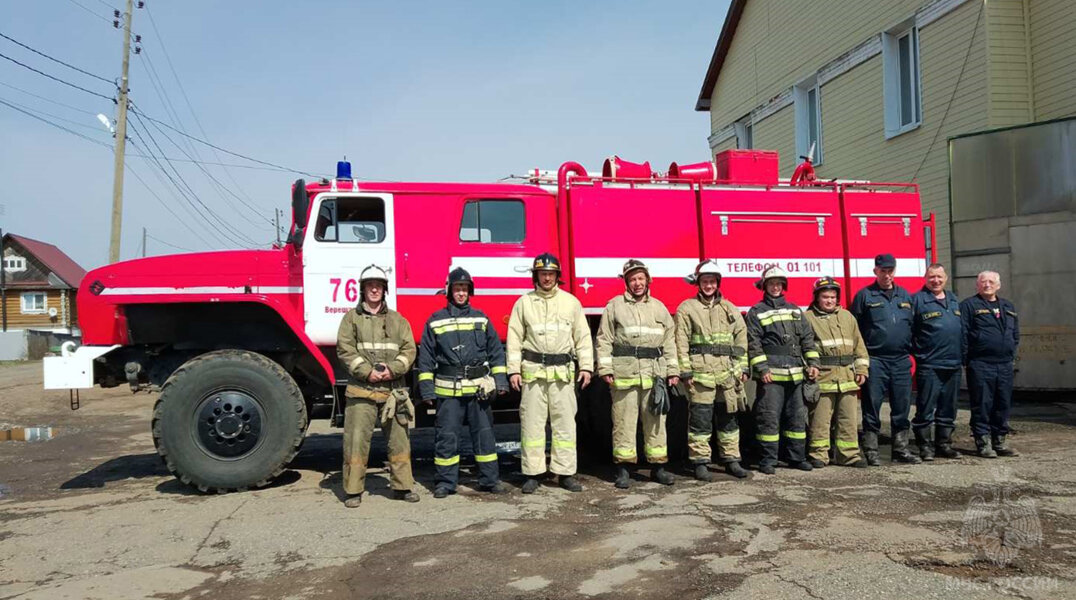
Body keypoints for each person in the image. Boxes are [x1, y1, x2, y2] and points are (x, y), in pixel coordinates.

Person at [416, 267, 509, 498]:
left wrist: (500, 382)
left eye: (465, 289)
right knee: (447, 439)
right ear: (449, 291)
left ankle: (489, 480)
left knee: (485, 436)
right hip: (448, 392)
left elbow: (496, 352)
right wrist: (426, 390)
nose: (461, 293)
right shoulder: (435, 321)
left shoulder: (481, 318)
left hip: (479, 391)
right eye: (457, 288)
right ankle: (445, 483)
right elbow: (425, 358)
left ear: (470, 291)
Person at [507, 253, 594, 493]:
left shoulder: (571, 302)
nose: (547, 277)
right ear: (536, 276)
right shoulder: (523, 303)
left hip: (562, 375)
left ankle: (565, 473)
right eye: (543, 273)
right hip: (533, 374)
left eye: (551, 274)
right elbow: (514, 339)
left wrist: (586, 366)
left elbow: (583, 337)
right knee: (532, 427)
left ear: (558, 276)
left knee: (565, 426)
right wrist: (513, 370)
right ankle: (533, 473)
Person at [335, 265, 419, 508]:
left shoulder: (397, 320)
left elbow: (409, 350)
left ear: (385, 290)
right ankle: (353, 490)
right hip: (362, 390)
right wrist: (367, 372)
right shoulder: (351, 319)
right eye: (370, 285)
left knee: (399, 440)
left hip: (393, 392)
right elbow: (345, 349)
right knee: (356, 441)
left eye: (379, 285)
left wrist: (393, 369)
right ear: (362, 289)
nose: (374, 289)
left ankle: (402, 487)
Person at [596, 259, 680, 489]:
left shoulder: (659, 308)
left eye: (641, 278)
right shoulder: (614, 306)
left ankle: (658, 468)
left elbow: (669, 342)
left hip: (654, 376)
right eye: (632, 279)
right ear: (626, 282)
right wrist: (605, 369)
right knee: (623, 423)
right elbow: (604, 339)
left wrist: (673, 370)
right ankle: (624, 470)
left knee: (655, 423)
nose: (637, 283)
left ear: (647, 280)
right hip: (624, 375)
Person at [674, 259, 750, 481]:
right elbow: (681, 341)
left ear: (718, 283)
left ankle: (731, 459)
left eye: (712, 281)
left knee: (729, 419)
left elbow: (741, 340)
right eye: (705, 281)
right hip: (701, 375)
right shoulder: (687, 308)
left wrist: (741, 368)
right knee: (700, 420)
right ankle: (700, 462)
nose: (708, 285)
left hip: (727, 375)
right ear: (698, 283)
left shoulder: (730, 308)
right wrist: (685, 371)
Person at [746, 266, 820, 474]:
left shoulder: (795, 310)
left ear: (783, 286)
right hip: (772, 375)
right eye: (771, 284)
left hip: (796, 374)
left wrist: (813, 364)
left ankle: (797, 457)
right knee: (768, 417)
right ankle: (768, 459)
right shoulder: (757, 311)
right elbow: (754, 342)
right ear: (765, 286)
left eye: (779, 284)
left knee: (796, 416)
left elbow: (807, 339)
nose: (775, 287)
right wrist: (762, 369)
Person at [850, 253, 920, 465]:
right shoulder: (865, 296)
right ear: (875, 271)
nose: (887, 275)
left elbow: (913, 327)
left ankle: (901, 448)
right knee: (872, 406)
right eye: (883, 271)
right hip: (876, 359)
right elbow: (856, 330)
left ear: (894, 271)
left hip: (900, 360)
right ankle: (871, 449)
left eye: (890, 271)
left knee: (902, 406)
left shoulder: (906, 296)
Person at [803, 276, 869, 468]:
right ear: (817, 298)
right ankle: (818, 455)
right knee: (819, 420)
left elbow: (859, 346)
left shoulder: (848, 317)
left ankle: (848, 455)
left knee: (848, 419)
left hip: (847, 377)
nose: (830, 300)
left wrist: (862, 368)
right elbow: (802, 348)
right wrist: (809, 367)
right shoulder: (807, 318)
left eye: (833, 296)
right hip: (823, 377)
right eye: (825, 297)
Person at [961, 270, 1020, 458]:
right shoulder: (969, 306)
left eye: (991, 281)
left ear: (998, 285)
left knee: (1002, 403)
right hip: (980, 364)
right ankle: (983, 441)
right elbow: (963, 334)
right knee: (982, 403)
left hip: (1004, 364)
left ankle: (999, 440)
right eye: (983, 282)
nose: (987, 285)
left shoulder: (1008, 306)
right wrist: (966, 359)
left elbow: (1015, 334)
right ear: (977, 285)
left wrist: (1010, 352)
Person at [910, 263, 964, 461]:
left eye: (939, 277)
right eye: (932, 277)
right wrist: (920, 354)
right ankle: (925, 446)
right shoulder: (918, 300)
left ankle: (944, 444)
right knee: (925, 407)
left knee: (948, 407)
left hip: (953, 363)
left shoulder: (953, 299)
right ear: (926, 278)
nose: (936, 281)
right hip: (930, 364)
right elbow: (909, 332)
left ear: (946, 278)